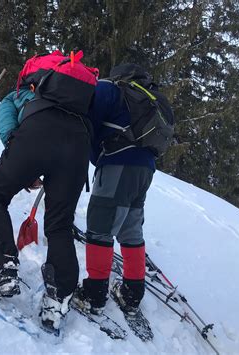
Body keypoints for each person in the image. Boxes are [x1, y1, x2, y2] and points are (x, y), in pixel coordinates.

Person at [0, 58, 95, 333]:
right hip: (79, 143)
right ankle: (59, 297)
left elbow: (7, 127)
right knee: (60, 224)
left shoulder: (17, 95)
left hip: (37, 133)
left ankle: (3, 271)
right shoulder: (78, 98)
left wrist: (23, 167)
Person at [72, 64, 157, 316]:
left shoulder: (111, 88)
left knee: (100, 226)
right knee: (131, 228)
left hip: (118, 162)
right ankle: (132, 294)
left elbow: (88, 122)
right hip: (146, 169)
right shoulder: (151, 99)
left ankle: (94, 294)